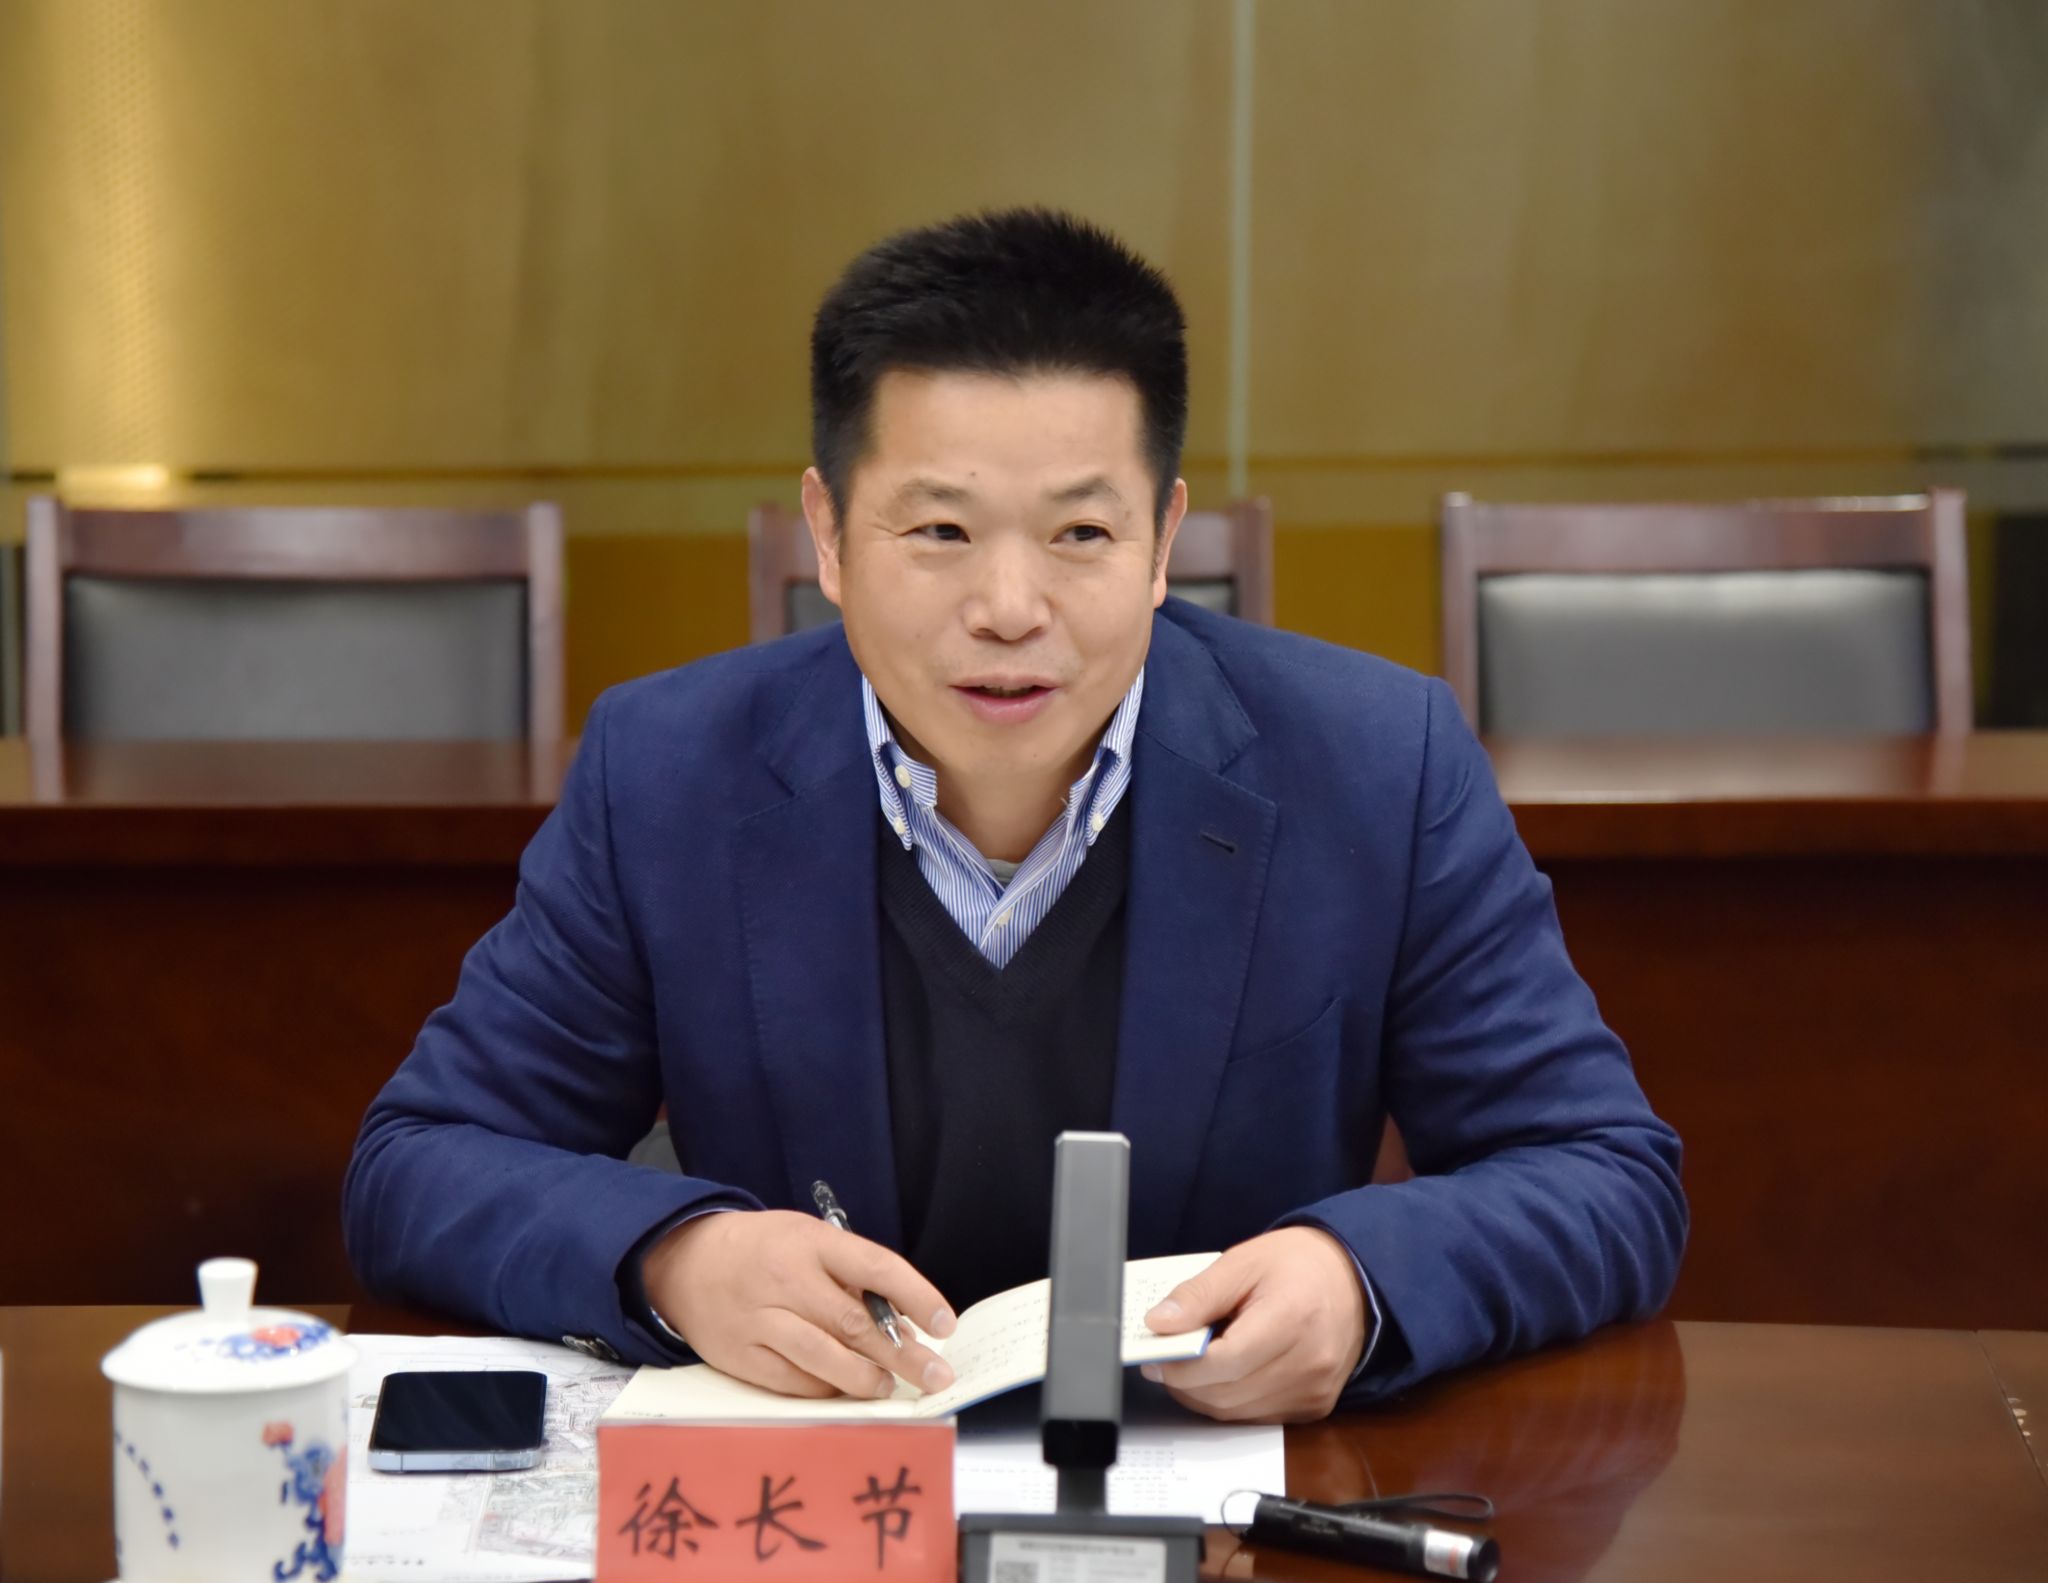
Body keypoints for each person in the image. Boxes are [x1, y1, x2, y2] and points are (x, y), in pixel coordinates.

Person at [345, 208, 1685, 1424]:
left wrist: (1361, 1280)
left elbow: (1605, 1170)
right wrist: (673, 1257)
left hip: (1218, 1515)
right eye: (939, 532)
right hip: (829, 1513)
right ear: (829, 532)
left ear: (1163, 540)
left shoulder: (1376, 765)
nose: (1007, 608)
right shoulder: (669, 770)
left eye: (1080, 535)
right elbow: (419, 1161)